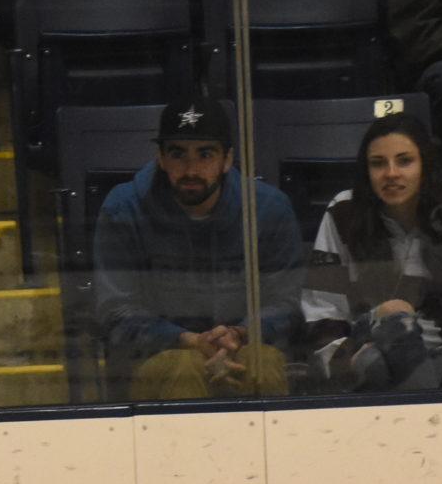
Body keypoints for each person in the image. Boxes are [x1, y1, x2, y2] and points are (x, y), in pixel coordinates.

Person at [92, 96, 306, 401]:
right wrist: (188, 340)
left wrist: (239, 334)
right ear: (161, 158)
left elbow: (287, 304)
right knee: (183, 368)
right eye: (178, 154)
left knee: (263, 362)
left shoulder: (269, 208)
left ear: (227, 159)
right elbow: (115, 310)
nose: (191, 169)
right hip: (161, 353)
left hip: (243, 345)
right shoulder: (124, 208)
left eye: (205, 154)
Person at [299, 115, 442, 392]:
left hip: (441, 349)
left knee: (391, 353)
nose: (391, 173)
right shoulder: (343, 212)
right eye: (378, 163)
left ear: (425, 165)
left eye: (404, 161)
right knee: (374, 365)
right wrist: (374, 329)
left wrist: (403, 328)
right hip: (358, 349)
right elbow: (322, 307)